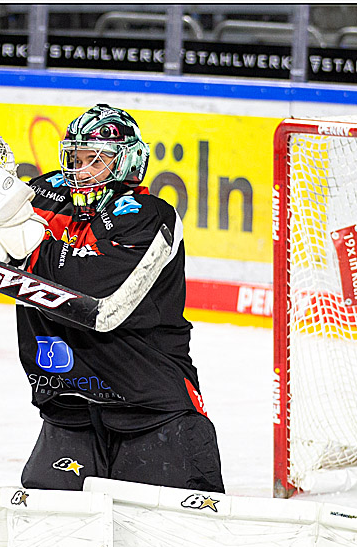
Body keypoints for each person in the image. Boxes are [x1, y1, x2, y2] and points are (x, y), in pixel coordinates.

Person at [12, 104, 224, 494]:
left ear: (127, 163)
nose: (81, 170)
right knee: (50, 524)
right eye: (76, 158)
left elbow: (90, 286)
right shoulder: (47, 192)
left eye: (96, 160)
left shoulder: (148, 215)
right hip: (70, 408)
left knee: (172, 525)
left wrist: (21, 247)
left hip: (151, 409)